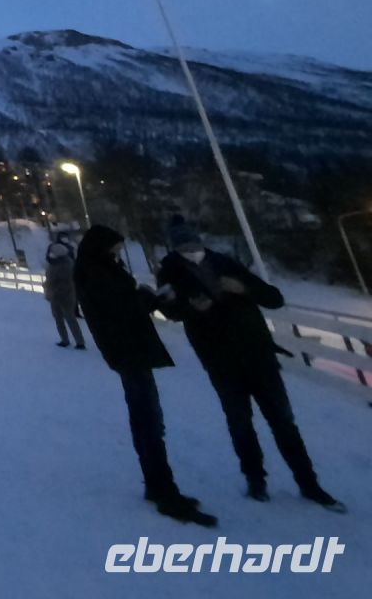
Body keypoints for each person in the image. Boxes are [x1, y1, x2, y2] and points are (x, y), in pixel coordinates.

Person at [156, 222, 344, 511]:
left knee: (283, 422)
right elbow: (168, 308)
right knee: (240, 422)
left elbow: (273, 298)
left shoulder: (226, 263)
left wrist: (243, 288)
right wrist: (192, 308)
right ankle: (256, 479)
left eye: (193, 245)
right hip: (220, 360)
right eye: (184, 247)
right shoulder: (169, 271)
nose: (191, 251)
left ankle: (308, 482)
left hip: (258, 354)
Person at [73, 225, 214, 526]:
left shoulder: (96, 269)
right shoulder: (98, 272)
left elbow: (120, 303)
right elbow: (121, 308)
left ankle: (156, 484)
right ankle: (165, 492)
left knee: (146, 419)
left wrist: (145, 297)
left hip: (127, 349)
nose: (119, 252)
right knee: (149, 421)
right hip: (129, 349)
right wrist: (150, 298)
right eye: (116, 247)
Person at [43, 237, 85, 350]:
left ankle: (79, 341)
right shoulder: (53, 264)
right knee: (58, 319)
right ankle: (64, 339)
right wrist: (47, 287)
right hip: (54, 295)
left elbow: (65, 282)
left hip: (65, 295)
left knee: (70, 318)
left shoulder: (66, 265)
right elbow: (49, 278)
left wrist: (54, 290)